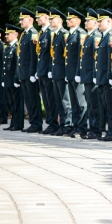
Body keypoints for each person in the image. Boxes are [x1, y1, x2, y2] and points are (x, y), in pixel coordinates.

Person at [94, 9, 112, 141]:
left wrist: (110, 76)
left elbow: (111, 59)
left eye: (100, 21)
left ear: (108, 21)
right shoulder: (104, 36)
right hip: (102, 77)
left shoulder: (111, 36)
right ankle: (111, 130)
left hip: (107, 78)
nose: (98, 23)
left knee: (111, 106)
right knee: (106, 105)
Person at [18, 7, 42, 133]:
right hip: (24, 72)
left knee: (33, 98)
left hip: (29, 72)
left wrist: (33, 72)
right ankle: (33, 121)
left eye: (23, 20)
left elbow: (34, 55)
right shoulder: (25, 35)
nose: (20, 22)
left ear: (30, 20)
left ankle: (37, 123)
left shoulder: (33, 34)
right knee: (28, 99)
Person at [49, 7, 72, 136]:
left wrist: (65, 73)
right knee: (59, 100)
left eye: (53, 19)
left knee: (65, 100)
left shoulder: (64, 34)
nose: (51, 21)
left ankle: (67, 124)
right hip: (56, 72)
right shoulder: (56, 35)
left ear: (59, 20)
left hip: (62, 72)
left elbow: (66, 56)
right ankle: (62, 124)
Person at [65, 8, 88, 137]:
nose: (67, 21)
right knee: (74, 102)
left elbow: (81, 55)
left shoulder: (81, 34)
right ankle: (75, 126)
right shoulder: (70, 34)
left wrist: (79, 72)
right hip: (69, 72)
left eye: (70, 19)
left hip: (76, 73)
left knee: (81, 102)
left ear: (78, 21)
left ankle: (82, 127)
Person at [35, 7, 58, 134]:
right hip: (42, 70)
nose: (37, 19)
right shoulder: (42, 32)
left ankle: (53, 123)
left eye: (39, 17)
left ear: (46, 18)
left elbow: (51, 53)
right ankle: (50, 122)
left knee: (51, 98)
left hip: (48, 71)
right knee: (46, 99)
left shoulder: (50, 32)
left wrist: (50, 69)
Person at [79, 9, 102, 140]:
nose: (86, 23)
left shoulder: (96, 36)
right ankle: (92, 128)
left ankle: (96, 130)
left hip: (92, 75)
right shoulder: (89, 36)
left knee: (94, 104)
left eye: (88, 21)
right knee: (91, 104)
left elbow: (95, 57)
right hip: (87, 75)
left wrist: (94, 74)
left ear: (95, 23)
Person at [2, 24, 24, 131]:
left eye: (8, 34)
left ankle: (18, 123)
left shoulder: (17, 47)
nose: (6, 36)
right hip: (8, 79)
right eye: (6, 34)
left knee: (17, 102)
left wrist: (16, 78)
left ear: (15, 34)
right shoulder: (8, 48)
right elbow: (4, 65)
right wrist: (3, 79)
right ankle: (13, 123)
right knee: (11, 102)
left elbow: (17, 65)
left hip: (14, 79)